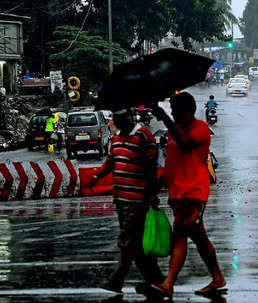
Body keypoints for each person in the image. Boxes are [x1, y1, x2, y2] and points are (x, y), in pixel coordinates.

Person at [149, 92, 226, 298]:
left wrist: (163, 117)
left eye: (174, 109)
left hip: (194, 192)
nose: (172, 113)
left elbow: (185, 144)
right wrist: (156, 186)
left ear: (184, 110)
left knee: (180, 234)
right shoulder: (173, 133)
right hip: (177, 194)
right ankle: (217, 277)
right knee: (199, 238)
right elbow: (172, 164)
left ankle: (169, 283)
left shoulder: (200, 128)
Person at [90, 109, 164, 294]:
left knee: (126, 240)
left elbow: (151, 168)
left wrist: (152, 194)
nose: (116, 121)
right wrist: (98, 175)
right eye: (116, 118)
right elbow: (111, 160)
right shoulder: (116, 138)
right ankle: (156, 280)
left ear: (129, 118)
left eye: (120, 118)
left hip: (138, 200)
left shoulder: (143, 136)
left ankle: (117, 280)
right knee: (137, 244)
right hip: (120, 199)